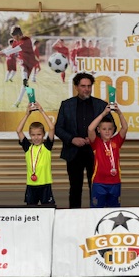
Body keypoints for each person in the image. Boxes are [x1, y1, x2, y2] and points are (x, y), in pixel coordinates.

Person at [55, 72, 112, 208]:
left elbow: (112, 127)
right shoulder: (66, 105)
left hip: (96, 153)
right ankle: (74, 216)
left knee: (97, 187)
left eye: (89, 86)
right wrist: (72, 139)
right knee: (75, 188)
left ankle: (96, 215)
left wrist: (96, 138)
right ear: (76, 87)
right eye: (83, 86)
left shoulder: (101, 105)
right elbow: (58, 128)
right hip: (73, 152)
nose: (86, 89)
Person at [87, 104, 128, 208]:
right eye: (104, 129)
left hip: (115, 182)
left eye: (110, 129)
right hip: (99, 183)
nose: (107, 131)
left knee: (114, 210)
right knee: (97, 210)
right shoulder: (96, 143)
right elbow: (90, 129)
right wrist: (104, 113)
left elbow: (125, 127)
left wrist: (119, 113)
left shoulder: (117, 141)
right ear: (98, 130)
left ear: (113, 129)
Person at [16, 102, 56, 205]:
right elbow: (19, 130)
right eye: (33, 135)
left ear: (43, 135)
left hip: (45, 184)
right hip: (31, 185)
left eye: (39, 134)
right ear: (30, 135)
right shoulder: (28, 147)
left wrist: (41, 111)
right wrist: (27, 114)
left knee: (48, 210)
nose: (36, 137)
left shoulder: (47, 147)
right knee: (30, 210)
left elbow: (52, 128)